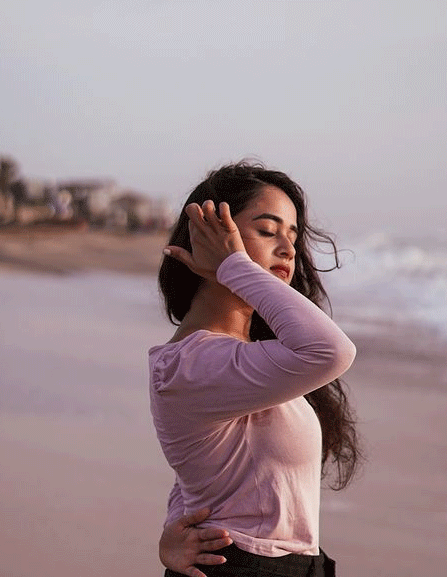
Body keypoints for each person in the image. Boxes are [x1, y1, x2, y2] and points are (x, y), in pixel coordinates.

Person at [149, 163, 361, 576]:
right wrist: (233, 266)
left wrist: (174, 526)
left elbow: (201, 465)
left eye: (293, 236)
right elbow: (333, 351)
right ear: (206, 238)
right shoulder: (195, 364)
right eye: (267, 230)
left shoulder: (243, 359)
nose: (288, 249)